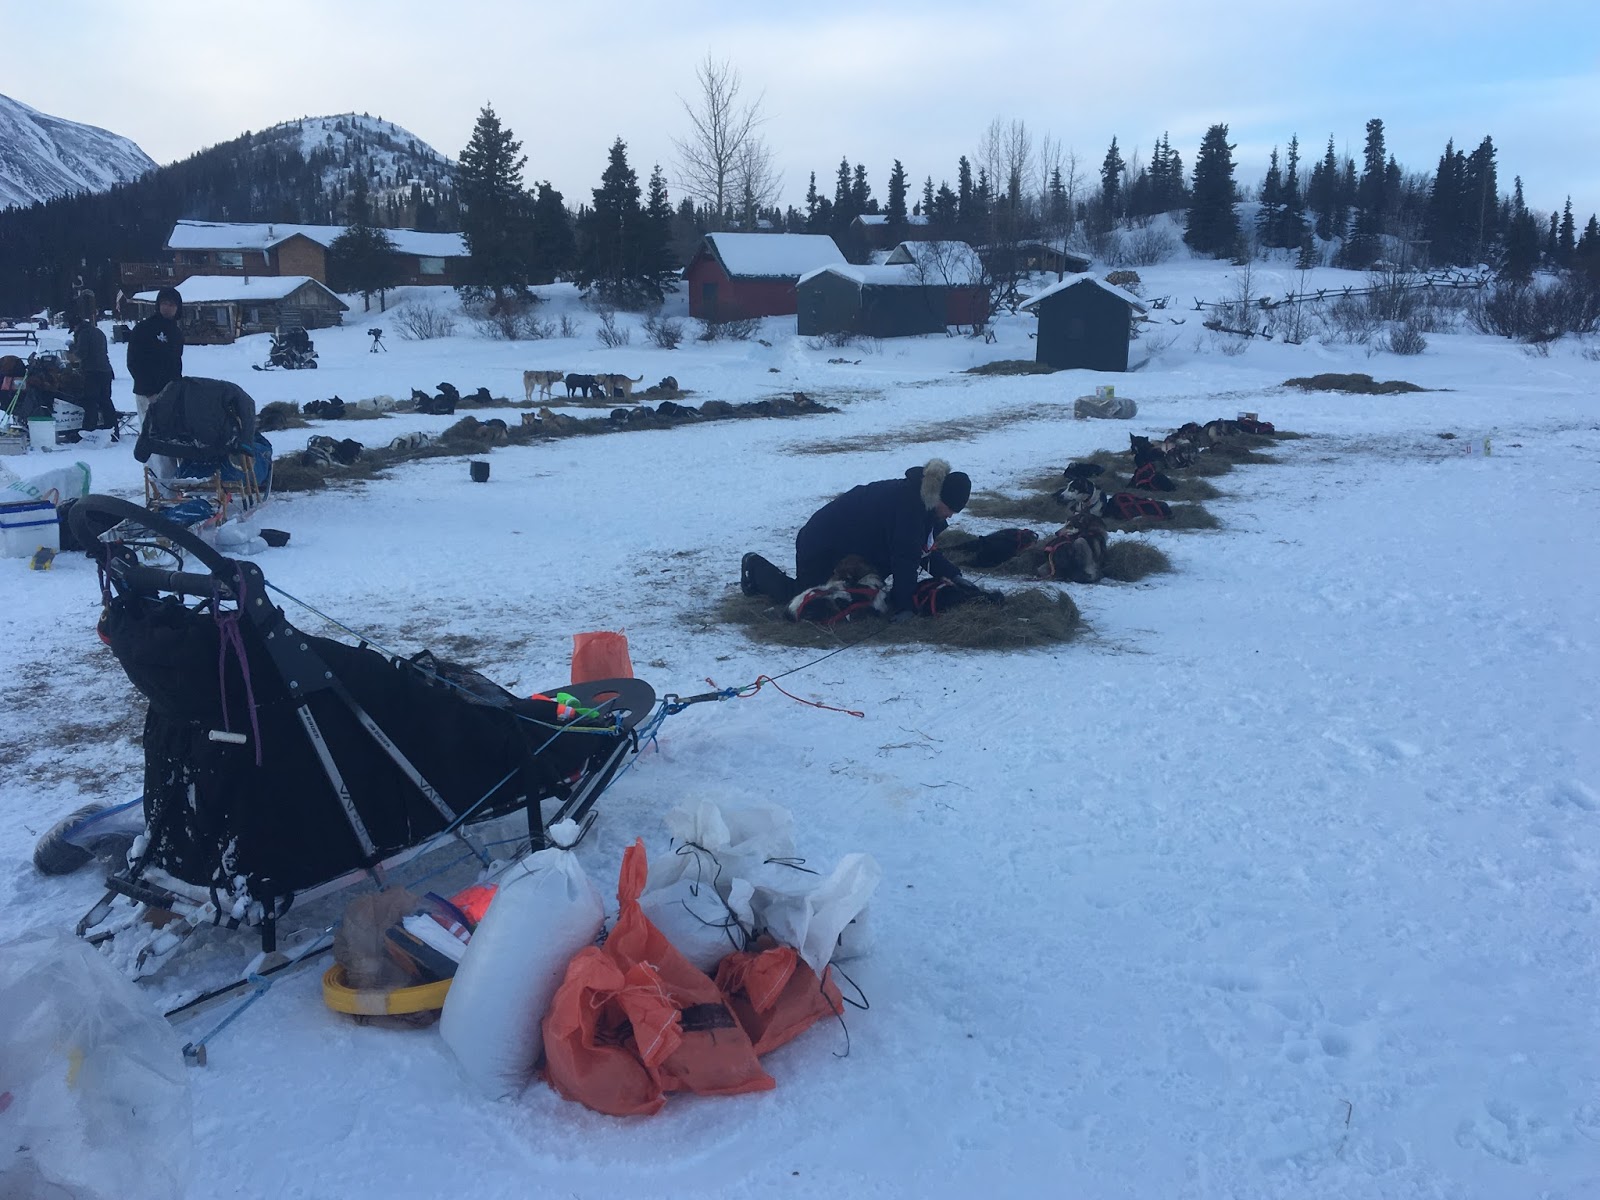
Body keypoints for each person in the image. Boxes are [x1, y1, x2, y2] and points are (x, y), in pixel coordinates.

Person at [742, 458, 972, 621]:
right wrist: (905, 608)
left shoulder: (924, 503)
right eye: (950, 508)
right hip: (822, 541)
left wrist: (953, 575)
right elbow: (905, 558)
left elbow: (922, 550)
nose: (951, 515)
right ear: (939, 497)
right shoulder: (910, 508)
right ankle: (754, 567)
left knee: (858, 595)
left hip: (857, 548)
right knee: (805, 598)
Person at [126, 286, 184, 421]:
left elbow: (176, 363)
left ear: (177, 308)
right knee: (151, 430)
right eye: (164, 303)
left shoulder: (176, 333)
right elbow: (134, 361)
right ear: (158, 305)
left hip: (171, 393)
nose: (167, 307)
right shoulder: (144, 328)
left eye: (172, 304)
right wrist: (149, 392)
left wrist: (178, 388)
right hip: (148, 394)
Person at [69, 318, 118, 440]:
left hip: (92, 371)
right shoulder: (98, 331)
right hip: (105, 370)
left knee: (90, 401)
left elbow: (82, 353)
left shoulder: (83, 333)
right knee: (105, 400)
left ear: (76, 326)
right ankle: (113, 430)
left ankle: (89, 430)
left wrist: (72, 350)